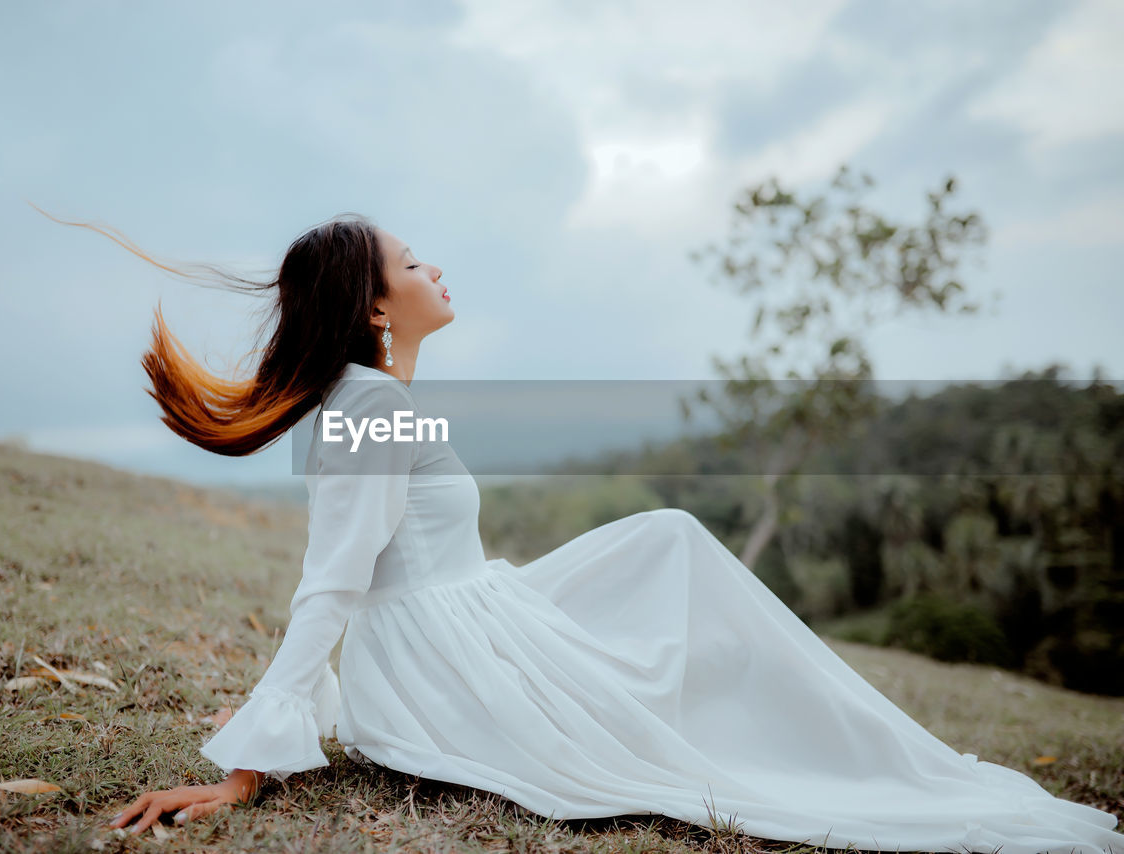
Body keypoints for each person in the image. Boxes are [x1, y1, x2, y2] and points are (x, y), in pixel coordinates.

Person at [100, 214, 1123, 853]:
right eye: (412, 260)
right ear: (375, 301)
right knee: (673, 547)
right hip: (450, 665)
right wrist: (246, 765)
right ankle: (862, 756)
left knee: (667, 541)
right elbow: (332, 584)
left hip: (467, 618)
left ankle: (850, 742)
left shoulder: (378, 393)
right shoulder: (368, 406)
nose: (433, 267)